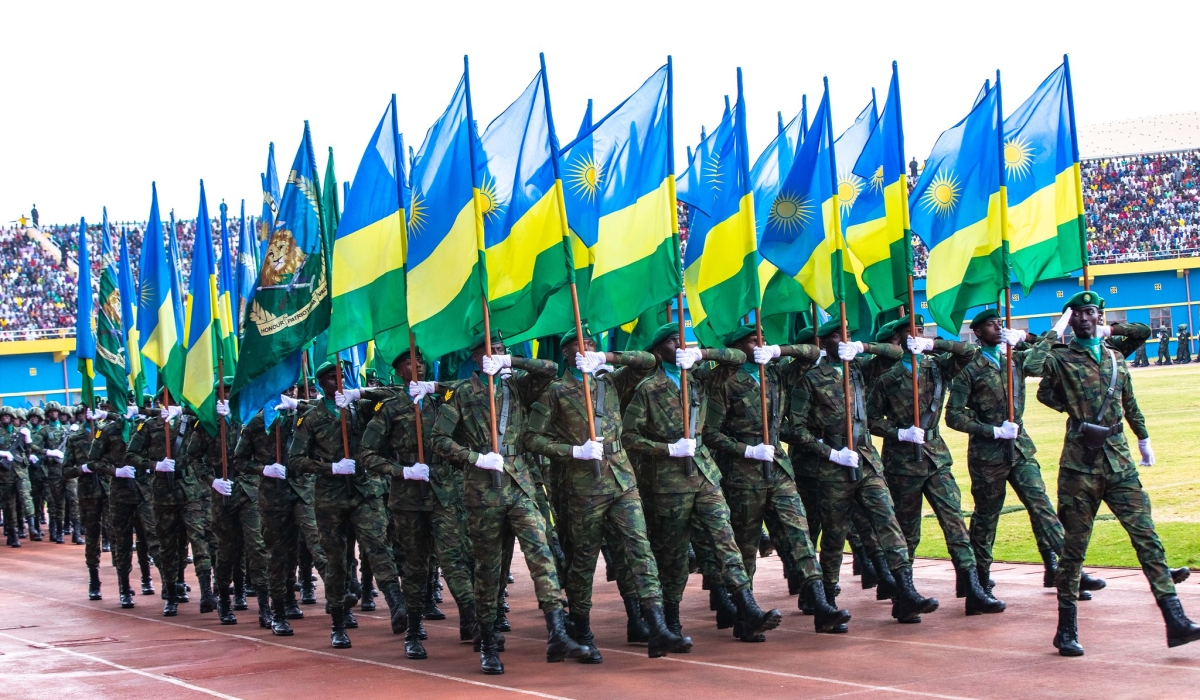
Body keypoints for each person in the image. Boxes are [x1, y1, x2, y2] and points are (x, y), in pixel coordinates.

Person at [1026, 291, 1200, 654]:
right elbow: (1032, 366)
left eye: (1090, 312)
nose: (1084, 318)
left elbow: (1129, 398)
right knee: (1073, 550)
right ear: (1071, 320)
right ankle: (1066, 629)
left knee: (1147, 537)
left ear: (1099, 317)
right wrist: (1055, 330)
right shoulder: (1060, 357)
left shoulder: (1115, 356)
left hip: (1119, 462)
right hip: (1080, 465)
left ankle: (1176, 619)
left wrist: (1143, 437)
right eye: (1077, 313)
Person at [527, 326, 695, 660]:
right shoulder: (556, 391)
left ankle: (656, 626)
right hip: (583, 488)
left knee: (640, 550)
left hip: (622, 481)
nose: (586, 348)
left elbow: (648, 361)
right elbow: (532, 438)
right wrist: (573, 451)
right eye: (579, 344)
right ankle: (582, 629)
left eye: (591, 343)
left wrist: (606, 357)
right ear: (566, 352)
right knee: (583, 560)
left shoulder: (611, 381)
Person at [624, 323, 796, 642]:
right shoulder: (648, 388)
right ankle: (671, 622)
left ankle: (747, 608)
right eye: (673, 342)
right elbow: (628, 437)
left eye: (683, 340)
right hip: (668, 484)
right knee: (674, 556)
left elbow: (734, 357)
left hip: (705, 475)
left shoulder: (700, 378)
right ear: (659, 349)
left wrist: (701, 354)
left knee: (725, 540)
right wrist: (667, 449)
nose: (681, 345)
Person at [431, 334, 592, 675]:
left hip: (519, 483)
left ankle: (557, 631)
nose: (496, 354)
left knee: (541, 552)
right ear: (475, 357)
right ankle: (488, 645)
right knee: (490, 571)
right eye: (490, 351)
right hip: (483, 492)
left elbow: (549, 369)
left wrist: (511, 361)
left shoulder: (517, 384)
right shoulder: (462, 393)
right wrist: (474, 457)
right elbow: (438, 440)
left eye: (501, 350)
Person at [945, 309, 1106, 599]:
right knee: (986, 517)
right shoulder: (969, 370)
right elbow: (953, 415)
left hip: (1020, 449)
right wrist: (992, 431)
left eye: (1000, 323)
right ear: (978, 333)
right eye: (991, 325)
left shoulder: (1014, 359)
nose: (998, 327)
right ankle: (979, 580)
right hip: (987, 455)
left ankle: (1071, 572)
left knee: (1041, 506)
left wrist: (1029, 338)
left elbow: (1039, 361)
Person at [789, 319, 939, 624]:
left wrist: (863, 346)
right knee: (834, 535)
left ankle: (906, 591)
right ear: (824, 343)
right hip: (833, 467)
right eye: (837, 336)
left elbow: (896, 353)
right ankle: (827, 601)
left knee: (888, 522)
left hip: (867, 460)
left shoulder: (858, 368)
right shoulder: (811, 379)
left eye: (848, 334)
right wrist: (829, 452)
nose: (844, 340)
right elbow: (795, 428)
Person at [705, 324, 849, 635]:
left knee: (800, 535)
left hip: (778, 467)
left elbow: (812, 353)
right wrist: (746, 450)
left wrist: (776, 351)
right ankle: (746, 616)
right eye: (752, 340)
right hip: (743, 474)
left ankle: (820, 605)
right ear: (737, 347)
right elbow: (710, 433)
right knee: (745, 546)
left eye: (764, 339)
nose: (760, 343)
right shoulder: (725, 381)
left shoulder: (775, 372)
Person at [866, 315, 1005, 616]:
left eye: (921, 330)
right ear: (900, 338)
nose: (917, 335)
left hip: (936, 457)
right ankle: (904, 598)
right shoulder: (888, 378)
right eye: (911, 332)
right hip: (903, 463)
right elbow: (871, 419)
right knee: (907, 531)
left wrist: (933, 344)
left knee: (955, 523)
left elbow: (968, 351)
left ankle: (973, 590)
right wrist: (899, 432)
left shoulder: (937, 366)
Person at [359, 349, 479, 659]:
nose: (419, 366)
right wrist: (401, 470)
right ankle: (413, 631)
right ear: (399, 372)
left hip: (444, 493)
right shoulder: (390, 407)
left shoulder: (442, 400)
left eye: (422, 361)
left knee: (455, 559)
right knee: (414, 566)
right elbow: (367, 454)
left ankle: (474, 621)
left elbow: (468, 387)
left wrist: (436, 387)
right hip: (409, 497)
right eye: (411, 362)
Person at [290, 361, 407, 650]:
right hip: (330, 497)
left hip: (364, 491)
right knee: (336, 560)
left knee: (378, 546)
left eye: (342, 376)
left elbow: (395, 394)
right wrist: (330, 467)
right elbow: (295, 460)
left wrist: (360, 393)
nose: (339, 381)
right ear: (320, 384)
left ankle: (397, 604)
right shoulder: (312, 417)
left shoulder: (359, 408)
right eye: (332, 378)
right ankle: (339, 623)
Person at [237, 385, 330, 637]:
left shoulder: (304, 414)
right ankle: (278, 610)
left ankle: (338, 598)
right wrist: (264, 469)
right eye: (284, 387)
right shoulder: (257, 422)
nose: (289, 392)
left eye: (293, 387)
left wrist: (297, 405)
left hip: (303, 490)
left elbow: (326, 411)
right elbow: (240, 460)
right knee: (278, 554)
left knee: (317, 542)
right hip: (273, 495)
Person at [126, 393, 215, 618]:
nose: (172, 405)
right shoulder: (148, 427)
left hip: (190, 490)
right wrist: (155, 465)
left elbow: (208, 416)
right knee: (167, 545)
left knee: (199, 539)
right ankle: (172, 594)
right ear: (160, 403)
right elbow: (131, 455)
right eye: (168, 401)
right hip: (163, 491)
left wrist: (183, 411)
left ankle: (206, 591)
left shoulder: (190, 421)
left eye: (175, 401)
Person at [88, 399, 163, 607]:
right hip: (120, 494)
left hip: (145, 491)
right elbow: (92, 461)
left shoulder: (145, 427)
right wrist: (115, 471)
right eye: (121, 402)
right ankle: (124, 588)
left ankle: (167, 583)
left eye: (130, 401)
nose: (126, 405)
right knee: (122, 542)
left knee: (153, 537)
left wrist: (151, 465)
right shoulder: (107, 431)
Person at [61, 402, 103, 598]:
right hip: (88, 493)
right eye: (85, 410)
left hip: (112, 492)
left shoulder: (107, 432)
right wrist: (82, 469)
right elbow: (66, 471)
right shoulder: (75, 438)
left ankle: (124, 584)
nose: (89, 413)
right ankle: (94, 580)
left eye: (92, 408)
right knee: (92, 537)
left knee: (119, 537)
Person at [1, 407, 25, 547]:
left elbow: (27, 451)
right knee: (9, 505)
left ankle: (26, 526)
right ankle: (13, 534)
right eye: (2, 416)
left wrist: (28, 440)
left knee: (22, 501)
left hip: (19, 472)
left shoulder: (19, 432)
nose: (5, 417)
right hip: (4, 474)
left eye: (7, 416)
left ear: (12, 418)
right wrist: (2, 453)